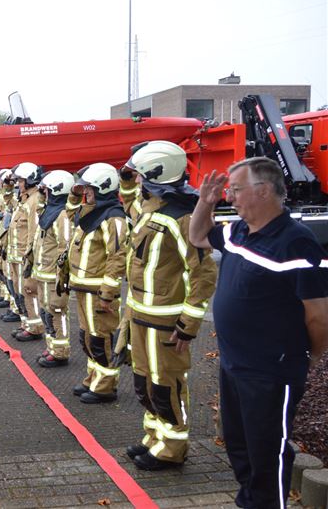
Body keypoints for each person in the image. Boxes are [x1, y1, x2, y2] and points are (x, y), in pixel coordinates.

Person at [189, 157, 328, 507]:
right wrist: (205, 202)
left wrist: (308, 357)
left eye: (236, 190)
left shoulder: (296, 242)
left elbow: (319, 316)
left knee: (268, 456)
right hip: (234, 364)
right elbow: (197, 236)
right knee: (240, 447)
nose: (230, 198)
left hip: (270, 371)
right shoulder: (238, 230)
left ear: (263, 191)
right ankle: (249, 501)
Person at [122, 140, 217, 470]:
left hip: (165, 323)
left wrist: (187, 326)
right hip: (140, 315)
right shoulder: (150, 210)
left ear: (152, 177)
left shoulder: (182, 218)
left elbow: (203, 273)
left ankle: (173, 447)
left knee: (166, 384)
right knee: (144, 382)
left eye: (137, 176)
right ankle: (155, 437)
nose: (133, 181)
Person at [67, 163, 128, 404]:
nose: (86, 193)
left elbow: (118, 256)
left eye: (90, 189)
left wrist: (108, 293)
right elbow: (69, 213)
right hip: (84, 288)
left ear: (103, 188)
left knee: (101, 339)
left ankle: (105, 387)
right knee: (88, 338)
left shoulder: (113, 218)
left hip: (98, 291)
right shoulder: (90, 214)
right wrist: (74, 191)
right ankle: (93, 379)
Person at [28, 170, 76, 367]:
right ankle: (51, 348)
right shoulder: (49, 212)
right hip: (42, 273)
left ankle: (60, 352)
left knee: (57, 311)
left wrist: (61, 277)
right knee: (47, 312)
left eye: (47, 190)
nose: (43, 194)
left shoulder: (62, 215)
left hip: (53, 276)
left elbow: (65, 246)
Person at [6, 162, 45, 340]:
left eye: (21, 180)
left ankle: (35, 327)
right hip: (15, 255)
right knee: (19, 290)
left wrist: (30, 258)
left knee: (28, 292)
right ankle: (26, 323)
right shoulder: (25, 199)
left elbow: (33, 232)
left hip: (23, 257)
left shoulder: (34, 200)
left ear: (30, 180)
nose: (18, 184)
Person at [0, 169, 16, 310]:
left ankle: (9, 299)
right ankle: (4, 294)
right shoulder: (1, 194)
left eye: (0, 180)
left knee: (6, 270)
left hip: (4, 237)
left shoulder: (11, 197)